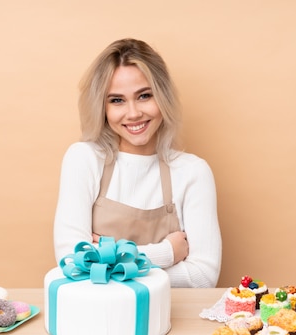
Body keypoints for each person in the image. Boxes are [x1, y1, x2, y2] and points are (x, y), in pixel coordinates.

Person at [53, 38, 221, 288]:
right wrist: (166, 253)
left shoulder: (193, 172)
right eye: (117, 100)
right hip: (95, 321)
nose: (133, 113)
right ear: (103, 107)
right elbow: (72, 264)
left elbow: (202, 277)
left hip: (168, 322)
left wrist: (105, 263)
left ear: (162, 96)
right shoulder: (83, 158)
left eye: (144, 96)